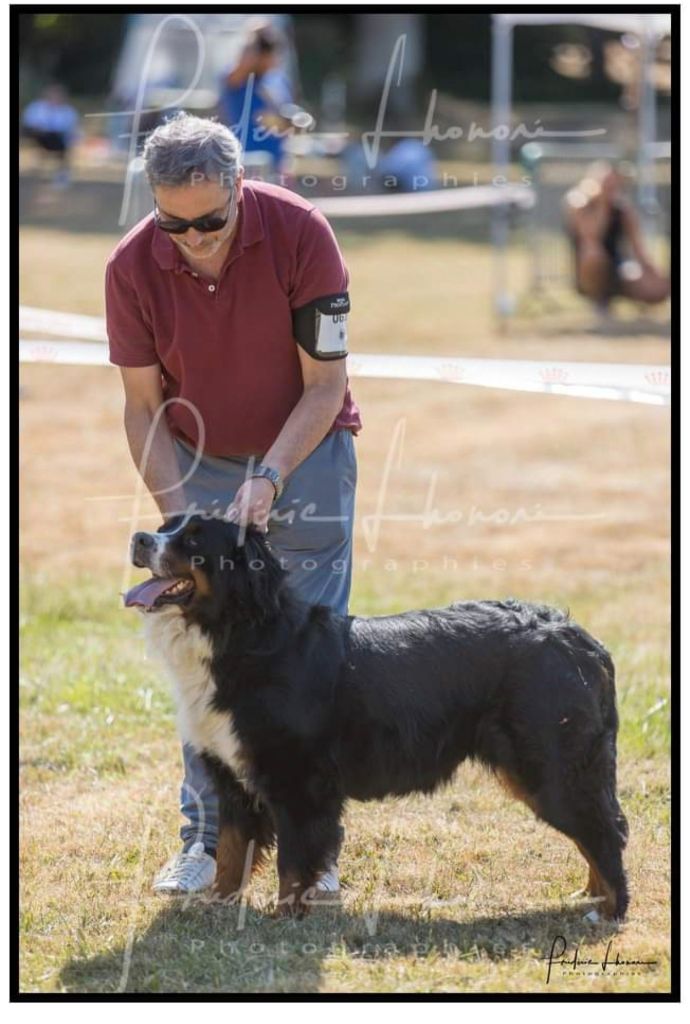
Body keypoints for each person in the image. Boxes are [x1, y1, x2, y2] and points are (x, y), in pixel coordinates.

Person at [105, 112, 361, 896]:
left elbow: (327, 386)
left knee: (302, 663)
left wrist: (273, 475)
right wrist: (183, 520)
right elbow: (142, 407)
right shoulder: (130, 265)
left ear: (241, 187)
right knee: (204, 660)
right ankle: (208, 842)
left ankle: (307, 854)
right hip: (198, 457)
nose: (195, 239)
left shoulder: (302, 234)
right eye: (174, 224)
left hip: (306, 454)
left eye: (212, 220)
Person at [565, 161, 670, 311]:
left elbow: (638, 250)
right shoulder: (580, 204)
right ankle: (599, 300)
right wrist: (602, 206)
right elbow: (592, 238)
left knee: (658, 288)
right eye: (606, 184)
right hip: (588, 272)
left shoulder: (622, 210)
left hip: (619, 268)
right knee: (593, 255)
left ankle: (631, 297)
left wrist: (653, 275)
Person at [218, 22, 293, 175]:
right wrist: (252, 38)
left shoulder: (277, 80)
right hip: (246, 163)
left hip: (276, 163)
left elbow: (286, 122)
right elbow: (244, 63)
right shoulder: (238, 78)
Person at [21, 83, 80, 188]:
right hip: (38, 135)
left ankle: (62, 174)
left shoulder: (68, 111)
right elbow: (28, 123)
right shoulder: (36, 107)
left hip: (56, 138)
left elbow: (71, 130)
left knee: (62, 144)